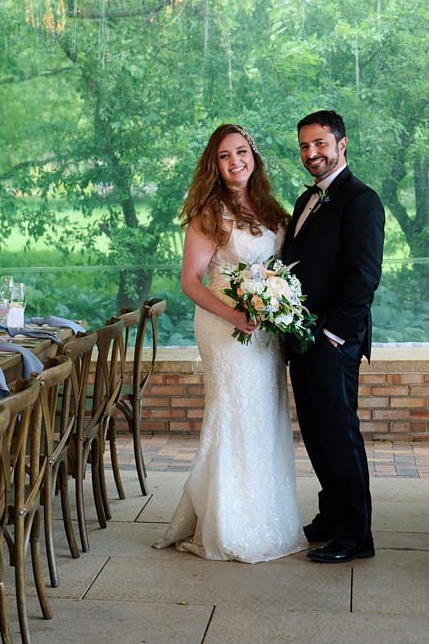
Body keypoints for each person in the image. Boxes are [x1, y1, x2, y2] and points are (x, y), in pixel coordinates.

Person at [152, 123, 304, 562]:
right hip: (224, 329)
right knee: (233, 415)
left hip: (264, 333)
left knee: (263, 417)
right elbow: (190, 281)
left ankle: (267, 517)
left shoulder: (271, 209)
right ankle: (229, 524)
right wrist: (236, 313)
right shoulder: (209, 211)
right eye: (224, 155)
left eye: (241, 151)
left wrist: (277, 304)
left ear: (253, 156)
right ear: (214, 165)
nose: (235, 161)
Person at [281, 110, 385, 564]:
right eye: (305, 146)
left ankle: (355, 535)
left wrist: (334, 336)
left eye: (320, 144)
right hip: (301, 338)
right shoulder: (309, 198)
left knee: (340, 435)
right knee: (318, 433)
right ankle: (331, 515)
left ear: (342, 144)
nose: (312, 154)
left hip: (332, 341)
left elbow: (364, 276)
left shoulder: (362, 200)